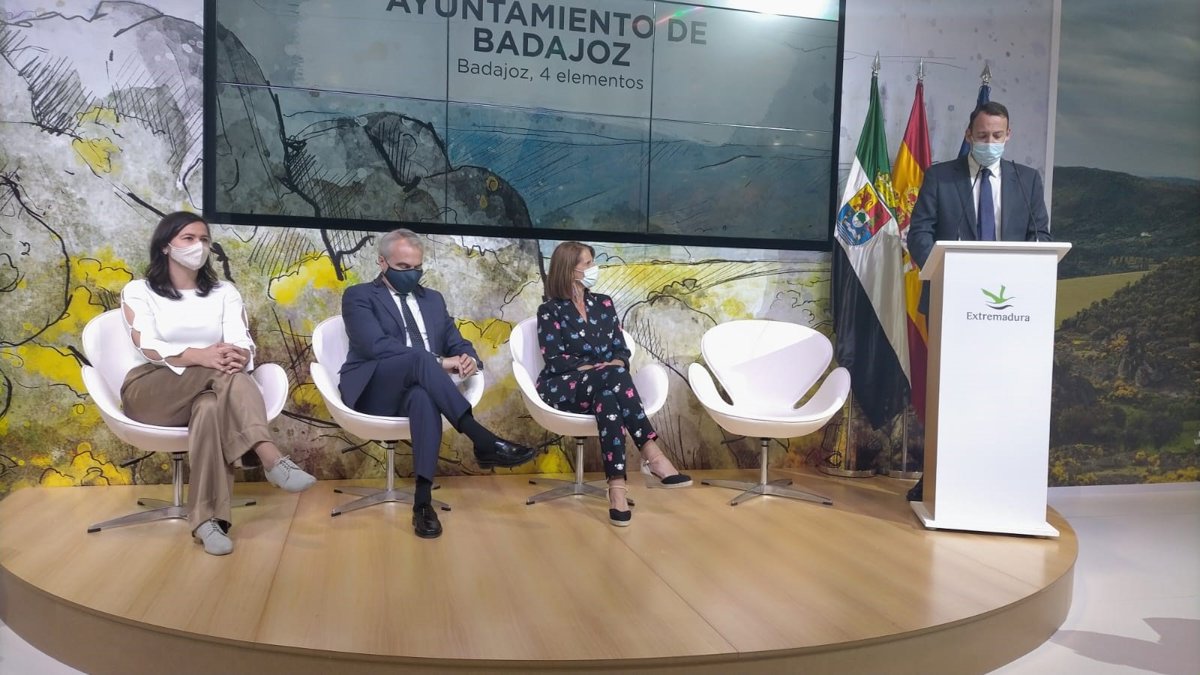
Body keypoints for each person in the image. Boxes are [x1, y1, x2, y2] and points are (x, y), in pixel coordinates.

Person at [120, 212, 316, 556]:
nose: (198, 246)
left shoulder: (224, 292)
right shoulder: (139, 291)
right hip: (151, 390)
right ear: (165, 246)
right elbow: (146, 345)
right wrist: (202, 355)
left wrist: (238, 355)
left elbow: (241, 341)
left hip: (211, 390)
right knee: (222, 372)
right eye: (188, 238)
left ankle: (208, 522)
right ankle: (269, 456)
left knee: (211, 406)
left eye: (204, 239)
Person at [339, 228, 535, 539]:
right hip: (375, 388)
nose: (412, 273)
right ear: (382, 262)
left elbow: (456, 341)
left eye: (417, 267)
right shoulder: (359, 295)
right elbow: (374, 346)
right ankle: (481, 439)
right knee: (420, 358)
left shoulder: (432, 300)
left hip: (416, 388)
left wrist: (468, 358)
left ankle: (422, 503)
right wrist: (439, 361)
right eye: (403, 267)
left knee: (423, 397)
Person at [906, 100, 1053, 501]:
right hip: (951, 302)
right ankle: (936, 476)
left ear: (1009, 135)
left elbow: (1040, 236)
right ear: (968, 135)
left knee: (998, 392)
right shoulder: (941, 177)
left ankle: (995, 477)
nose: (990, 142)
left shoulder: (1027, 180)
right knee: (950, 393)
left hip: (1010, 310)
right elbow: (919, 233)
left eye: (997, 136)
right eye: (983, 135)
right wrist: (941, 269)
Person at [535, 242, 692, 527]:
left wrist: (610, 365)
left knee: (608, 395)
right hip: (563, 385)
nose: (594, 268)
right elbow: (555, 359)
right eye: (587, 264)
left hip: (605, 384)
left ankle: (617, 490)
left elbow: (621, 349)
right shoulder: (549, 310)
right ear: (569, 270)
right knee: (611, 376)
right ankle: (652, 454)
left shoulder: (604, 303)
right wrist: (596, 368)